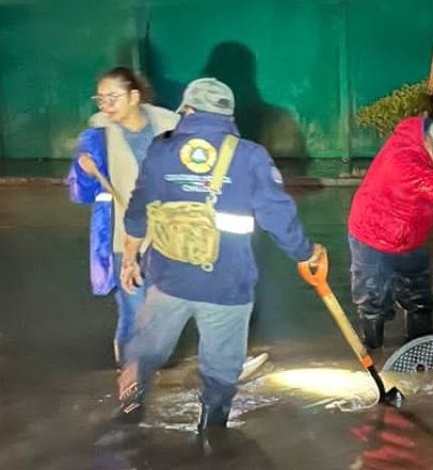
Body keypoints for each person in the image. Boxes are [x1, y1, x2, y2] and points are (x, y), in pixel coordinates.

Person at [117, 78, 325, 430]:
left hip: (168, 277)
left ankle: (133, 384)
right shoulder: (250, 156)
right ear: (228, 114)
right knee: (221, 364)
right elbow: (278, 215)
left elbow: (139, 208)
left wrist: (129, 256)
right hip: (226, 283)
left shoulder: (161, 149)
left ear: (188, 110)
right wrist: (306, 253)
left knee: (148, 342)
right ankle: (212, 426)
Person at [67, 67, 179, 365]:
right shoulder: (97, 135)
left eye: (112, 97)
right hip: (122, 236)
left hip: (168, 235)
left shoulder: (171, 126)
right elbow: (80, 192)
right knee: (133, 307)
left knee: (165, 307)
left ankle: (152, 365)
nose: (105, 106)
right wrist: (84, 170)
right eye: (100, 99)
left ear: (134, 96)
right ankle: (129, 373)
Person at [347, 116, 433, 350]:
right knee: (373, 300)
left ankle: (420, 349)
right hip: (373, 236)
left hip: (411, 237)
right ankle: (372, 353)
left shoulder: (424, 141)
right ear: (429, 142)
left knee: (419, 298)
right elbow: (418, 177)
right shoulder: (401, 156)